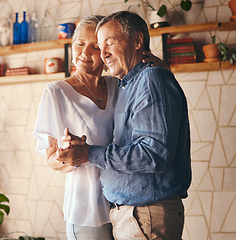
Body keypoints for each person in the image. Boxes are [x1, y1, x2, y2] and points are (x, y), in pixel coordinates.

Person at [58, 11, 192, 240]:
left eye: (109, 42)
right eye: (100, 46)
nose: (103, 53)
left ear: (138, 41)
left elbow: (153, 154)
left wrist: (89, 153)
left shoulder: (151, 80)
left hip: (145, 217)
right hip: (136, 217)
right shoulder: (128, 84)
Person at [33, 14, 167, 240]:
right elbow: (51, 159)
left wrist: (161, 67)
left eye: (95, 46)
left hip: (126, 204)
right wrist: (65, 155)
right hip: (87, 207)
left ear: (106, 51)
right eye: (79, 44)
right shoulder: (56, 93)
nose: (85, 53)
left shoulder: (119, 85)